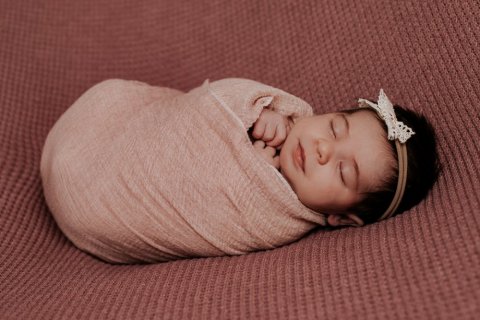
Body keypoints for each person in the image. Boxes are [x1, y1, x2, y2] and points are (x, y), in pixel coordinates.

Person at [249, 89, 440, 227]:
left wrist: (254, 177)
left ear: (342, 218)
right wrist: (256, 109)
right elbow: (225, 96)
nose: (323, 148)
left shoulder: (284, 222)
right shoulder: (282, 110)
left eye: (342, 171)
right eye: (334, 129)